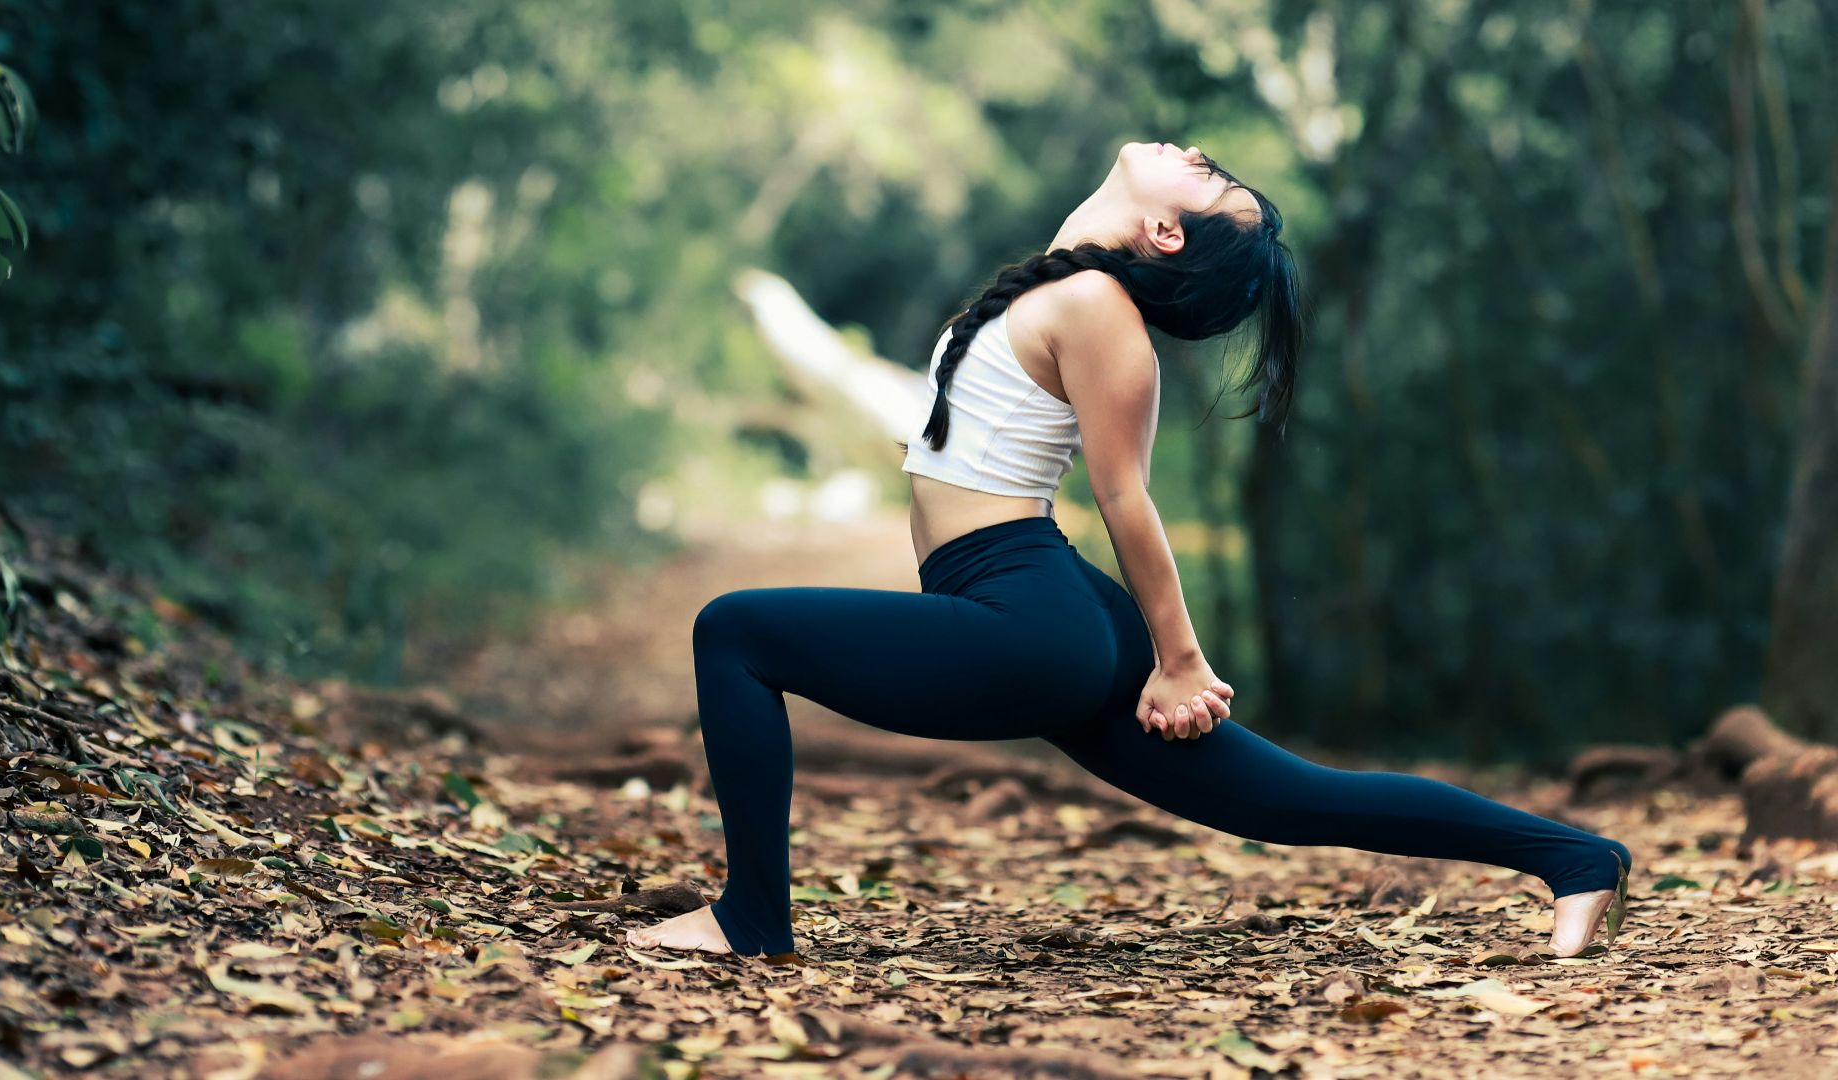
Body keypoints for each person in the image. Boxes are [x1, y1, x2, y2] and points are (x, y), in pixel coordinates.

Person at [625, 139, 1630, 962]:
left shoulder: (1100, 312)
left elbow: (1126, 499)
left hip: (1026, 613)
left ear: (1164, 231)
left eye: (1207, 180)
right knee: (1290, 797)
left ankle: (752, 918)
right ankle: (1576, 856)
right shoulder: (1054, 292)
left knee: (735, 632)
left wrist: (1180, 657)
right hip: (1037, 606)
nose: (1195, 152)